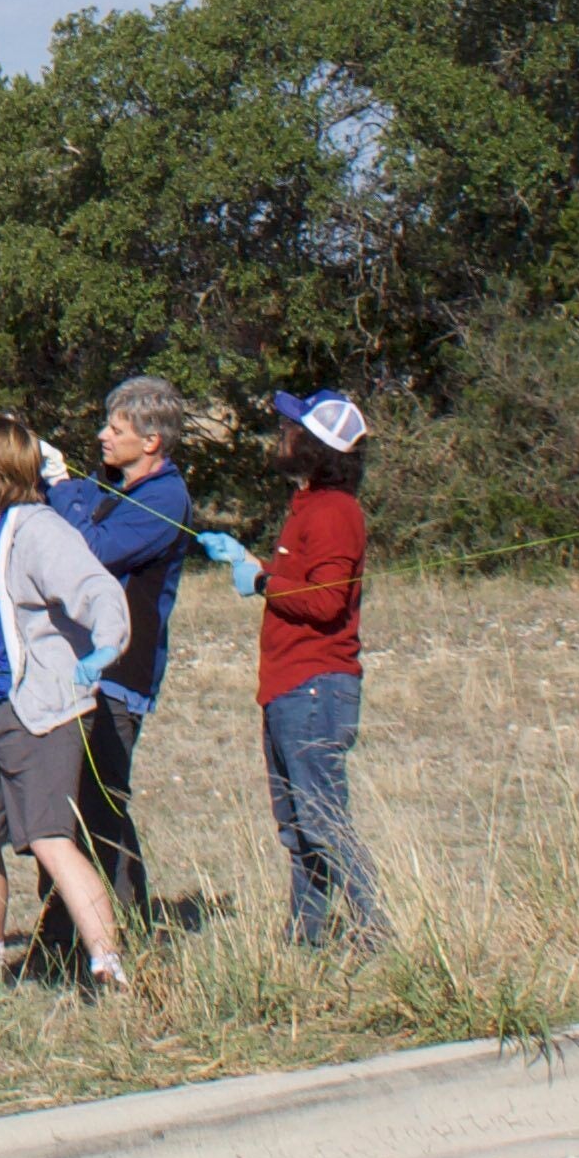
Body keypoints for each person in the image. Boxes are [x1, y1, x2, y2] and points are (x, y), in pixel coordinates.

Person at [0, 412, 134, 988]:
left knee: (49, 838)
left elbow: (97, 591)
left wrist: (103, 647)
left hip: (44, 712)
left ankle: (106, 968)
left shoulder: (41, 530)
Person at [195, 391, 378, 946]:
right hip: (289, 687)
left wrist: (261, 581)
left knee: (321, 820)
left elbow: (324, 603)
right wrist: (252, 563)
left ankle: (376, 933)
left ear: (318, 446)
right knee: (298, 827)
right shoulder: (310, 507)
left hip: (315, 688)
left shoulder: (334, 513)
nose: (282, 434)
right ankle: (307, 942)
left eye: (292, 428)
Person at [30, 378, 198, 940]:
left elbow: (92, 551)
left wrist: (59, 482)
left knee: (102, 809)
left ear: (151, 441)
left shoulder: (165, 499)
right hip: (77, 669)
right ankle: (62, 937)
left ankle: (127, 935)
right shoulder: (114, 485)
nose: (103, 436)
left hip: (119, 676)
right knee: (62, 808)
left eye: (116, 430)